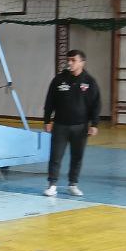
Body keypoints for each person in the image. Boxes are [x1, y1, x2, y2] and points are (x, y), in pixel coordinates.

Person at [43, 49, 101, 197]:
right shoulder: (58, 79)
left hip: (80, 127)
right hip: (60, 125)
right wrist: (47, 120)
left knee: (77, 157)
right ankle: (52, 185)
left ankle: (73, 184)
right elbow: (49, 101)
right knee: (55, 156)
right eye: (68, 60)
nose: (70, 63)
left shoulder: (90, 81)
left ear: (82, 62)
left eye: (73, 60)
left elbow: (96, 104)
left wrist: (94, 124)